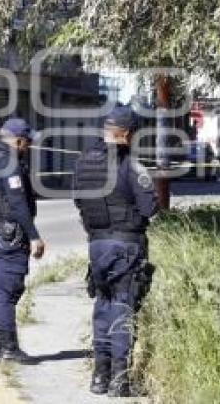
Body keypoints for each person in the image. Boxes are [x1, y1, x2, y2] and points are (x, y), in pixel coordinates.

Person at [74, 106, 158, 396]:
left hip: (97, 247)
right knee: (122, 309)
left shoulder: (83, 164)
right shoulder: (132, 166)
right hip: (126, 247)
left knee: (102, 307)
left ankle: (100, 376)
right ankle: (120, 381)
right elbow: (149, 209)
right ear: (127, 134)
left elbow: (80, 204)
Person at [0, 118, 46, 363]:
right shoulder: (10, 163)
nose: (29, 147)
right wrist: (34, 236)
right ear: (17, 140)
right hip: (10, 236)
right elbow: (17, 204)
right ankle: (9, 349)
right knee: (6, 295)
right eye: (26, 142)